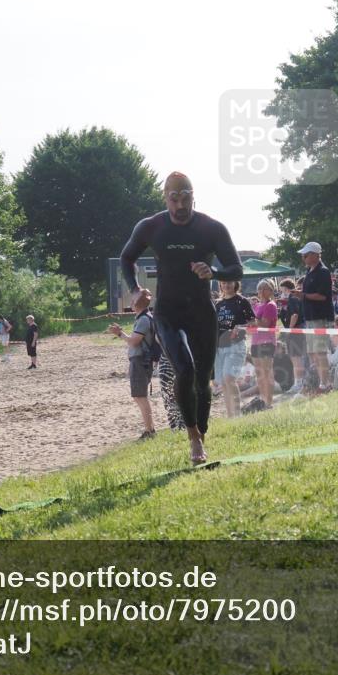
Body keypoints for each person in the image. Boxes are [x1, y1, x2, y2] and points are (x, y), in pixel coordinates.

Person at [120, 171, 243, 465]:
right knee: (184, 370)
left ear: (193, 197)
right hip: (168, 312)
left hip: (201, 310)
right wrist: (134, 289)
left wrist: (214, 272)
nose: (180, 205)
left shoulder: (211, 228)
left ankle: (202, 432)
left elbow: (236, 268)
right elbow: (127, 257)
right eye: (174, 199)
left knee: (203, 380)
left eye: (185, 198)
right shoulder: (151, 226)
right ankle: (193, 438)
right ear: (166, 198)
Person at [108, 293, 156, 440]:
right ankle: (150, 429)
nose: (131, 302)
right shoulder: (145, 317)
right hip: (141, 361)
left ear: (137, 303)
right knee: (139, 396)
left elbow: (134, 341)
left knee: (140, 396)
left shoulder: (143, 319)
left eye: (133, 300)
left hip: (140, 361)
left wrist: (119, 334)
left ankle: (150, 431)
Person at [296, 241, 334, 392]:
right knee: (312, 352)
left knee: (320, 352)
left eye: (305, 255)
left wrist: (303, 295)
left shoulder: (323, 272)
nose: (303, 258)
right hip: (310, 317)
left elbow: (323, 296)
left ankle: (326, 383)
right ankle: (318, 382)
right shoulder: (309, 271)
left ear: (315, 255)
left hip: (320, 317)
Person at [214, 280, 255, 417]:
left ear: (235, 284)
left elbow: (253, 322)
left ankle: (237, 414)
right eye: (224, 283)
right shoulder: (217, 304)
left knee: (229, 378)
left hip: (236, 345)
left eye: (229, 282)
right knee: (223, 382)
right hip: (219, 347)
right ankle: (230, 415)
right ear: (220, 285)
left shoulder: (242, 301)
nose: (226, 285)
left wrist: (240, 327)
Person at [251, 279, 279, 408]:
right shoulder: (256, 305)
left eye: (265, 288)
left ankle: (269, 403)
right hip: (255, 341)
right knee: (259, 374)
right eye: (259, 288)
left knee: (266, 373)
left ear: (271, 291)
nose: (261, 291)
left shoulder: (271, 305)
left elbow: (265, 324)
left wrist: (252, 319)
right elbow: (252, 324)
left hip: (267, 342)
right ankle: (262, 401)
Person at [278, 279, 306, 393]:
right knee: (295, 358)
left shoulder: (293, 298)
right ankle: (298, 382)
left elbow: (295, 315)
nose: (282, 293)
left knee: (296, 358)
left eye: (282, 290)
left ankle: (299, 383)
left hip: (295, 330)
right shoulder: (291, 299)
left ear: (286, 289)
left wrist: (289, 329)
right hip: (296, 330)